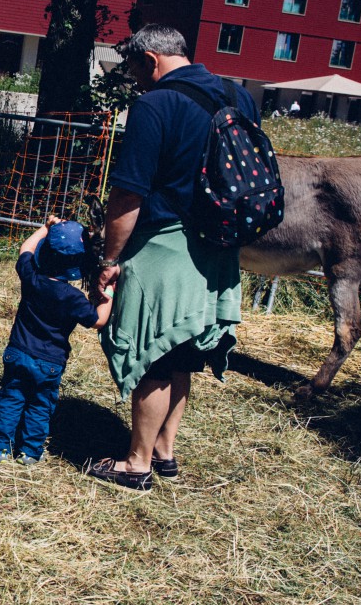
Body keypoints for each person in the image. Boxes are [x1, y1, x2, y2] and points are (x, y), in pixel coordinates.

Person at [86, 24, 257, 491]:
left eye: (135, 70)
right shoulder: (239, 97)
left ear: (150, 60)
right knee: (184, 352)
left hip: (168, 244)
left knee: (153, 355)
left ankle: (136, 463)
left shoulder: (155, 104)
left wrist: (109, 258)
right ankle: (164, 450)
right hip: (221, 246)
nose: (135, 82)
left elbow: (129, 193)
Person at [0, 217, 109, 465]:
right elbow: (98, 321)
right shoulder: (73, 297)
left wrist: (46, 227)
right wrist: (109, 292)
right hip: (50, 362)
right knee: (40, 405)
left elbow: (25, 249)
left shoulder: (31, 277)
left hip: (18, 352)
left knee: (11, 398)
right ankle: (29, 452)